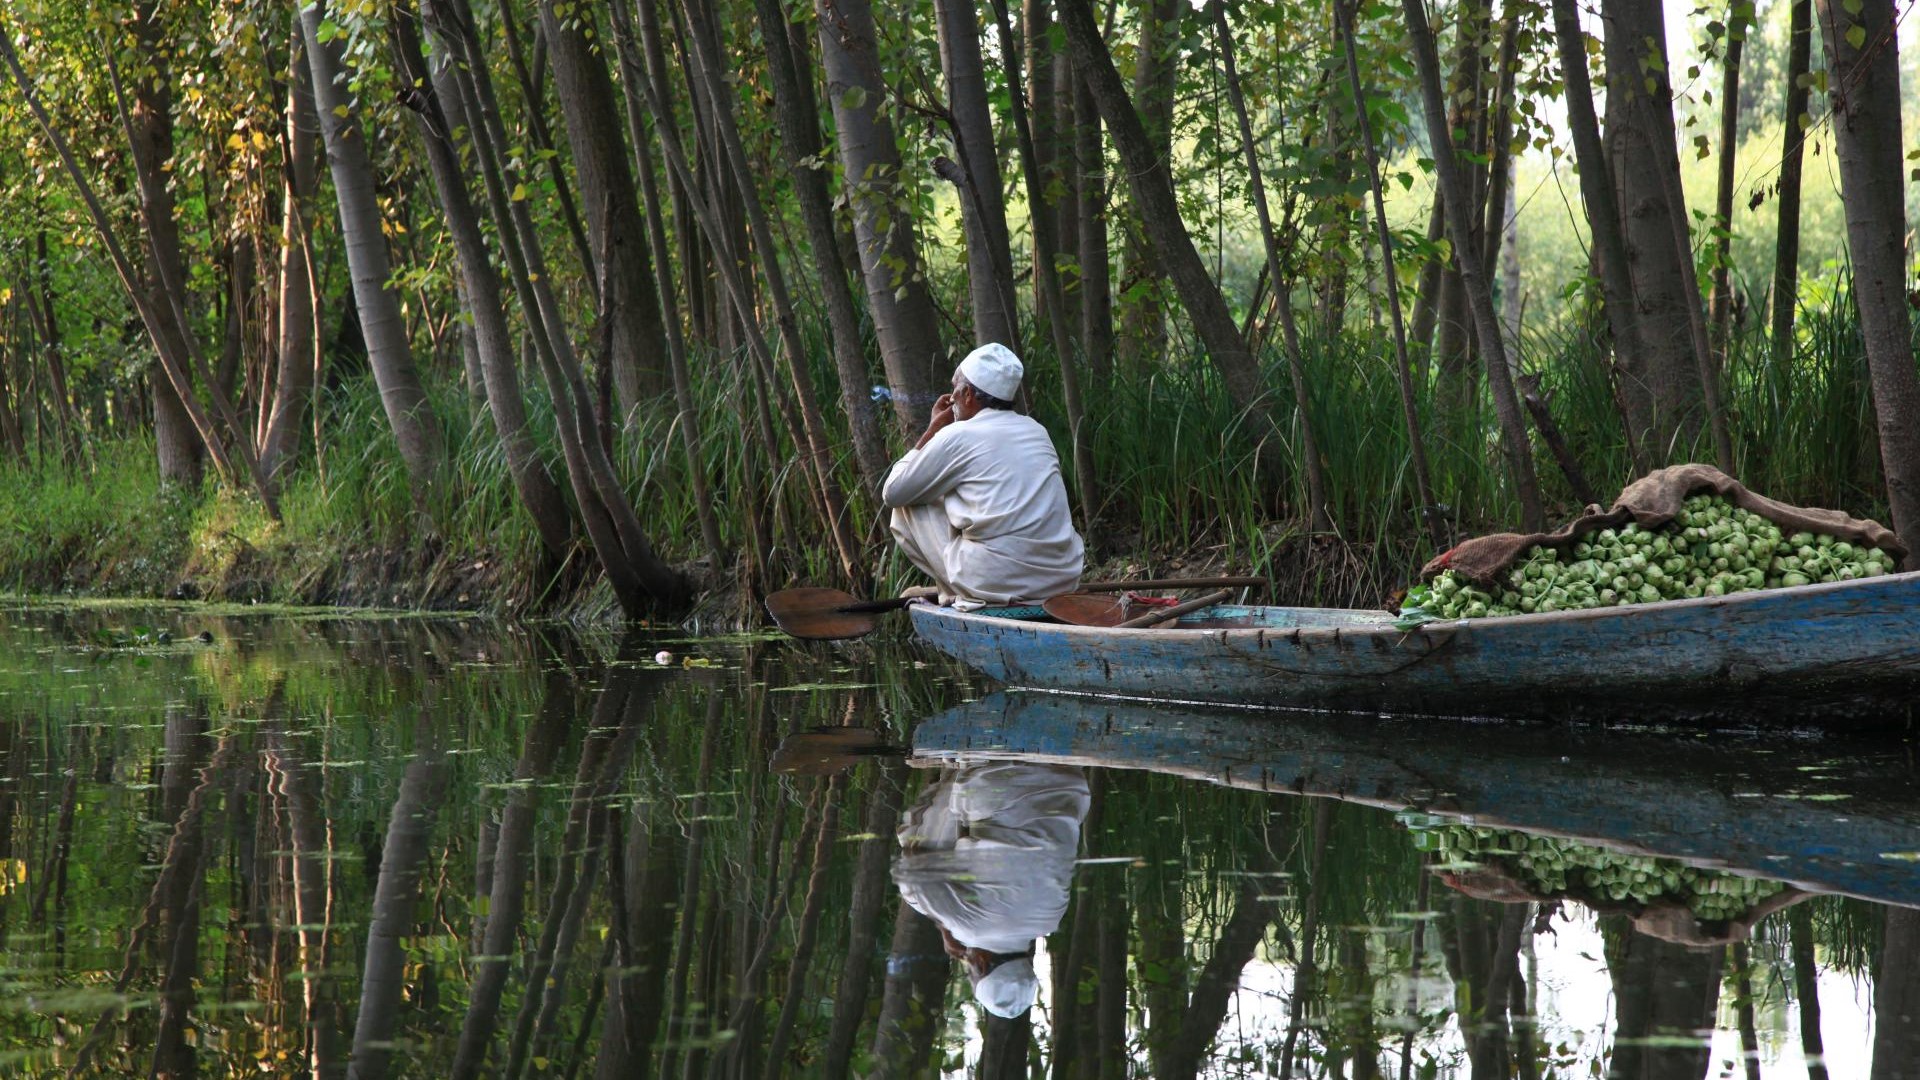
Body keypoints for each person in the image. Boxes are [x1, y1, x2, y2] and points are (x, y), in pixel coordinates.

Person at [881, 343, 1084, 606]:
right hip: (1061, 579)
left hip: (999, 580)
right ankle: (957, 589)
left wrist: (931, 431)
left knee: (906, 505)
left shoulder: (959, 434)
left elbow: (893, 492)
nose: (950, 398)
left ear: (967, 395)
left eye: (955, 387)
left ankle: (958, 592)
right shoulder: (1037, 430)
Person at [892, 761, 1091, 1019]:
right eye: (970, 971)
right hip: (993, 777)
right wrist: (944, 925)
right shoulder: (970, 929)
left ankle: (955, 784)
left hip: (1069, 780)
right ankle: (953, 773)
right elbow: (908, 872)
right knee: (916, 892)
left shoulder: (1050, 921)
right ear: (982, 964)